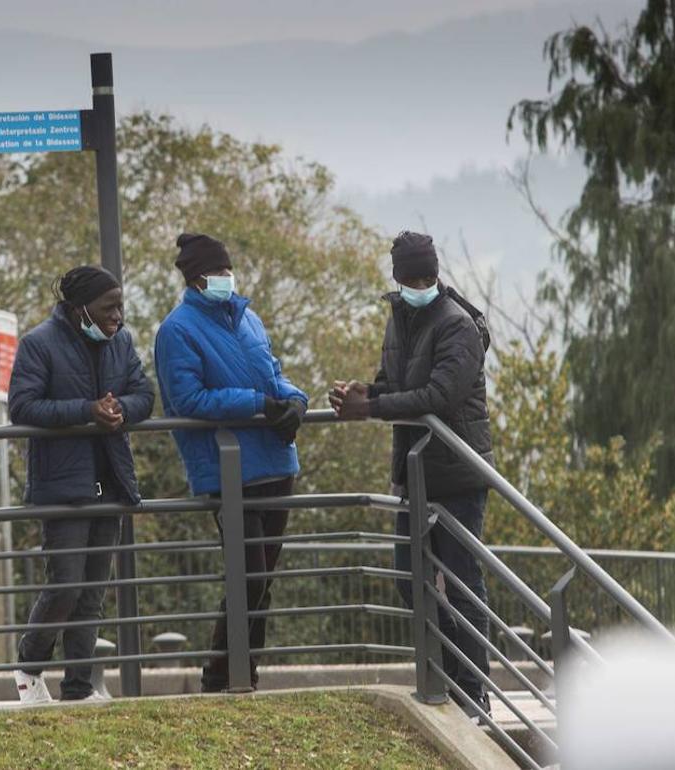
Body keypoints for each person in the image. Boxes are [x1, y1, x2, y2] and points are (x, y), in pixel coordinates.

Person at [328, 230, 495, 719]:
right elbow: (397, 384)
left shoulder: (456, 324)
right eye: (410, 277)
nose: (419, 283)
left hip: (457, 474)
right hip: (415, 473)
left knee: (463, 583)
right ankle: (452, 671)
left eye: (426, 276)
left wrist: (373, 406)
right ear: (398, 279)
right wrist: (365, 390)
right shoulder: (399, 319)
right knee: (408, 575)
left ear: (436, 274)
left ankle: (475, 689)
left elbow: (439, 396)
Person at [154, 232, 308, 693]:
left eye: (227, 270)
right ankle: (221, 676)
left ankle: (245, 674)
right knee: (249, 578)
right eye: (217, 272)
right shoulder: (177, 330)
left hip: (276, 464)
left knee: (261, 583)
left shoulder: (249, 320)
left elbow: (275, 374)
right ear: (197, 278)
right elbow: (187, 398)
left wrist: (294, 401)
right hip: (230, 469)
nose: (226, 278)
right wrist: (259, 404)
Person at [8, 265, 155, 704]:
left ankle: (77, 687)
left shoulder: (121, 342)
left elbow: (144, 394)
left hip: (109, 480)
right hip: (62, 485)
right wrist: (85, 411)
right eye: (109, 308)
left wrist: (119, 410)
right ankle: (29, 668)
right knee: (65, 585)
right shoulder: (39, 343)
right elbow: (23, 407)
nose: (118, 317)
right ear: (79, 309)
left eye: (121, 307)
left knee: (92, 593)